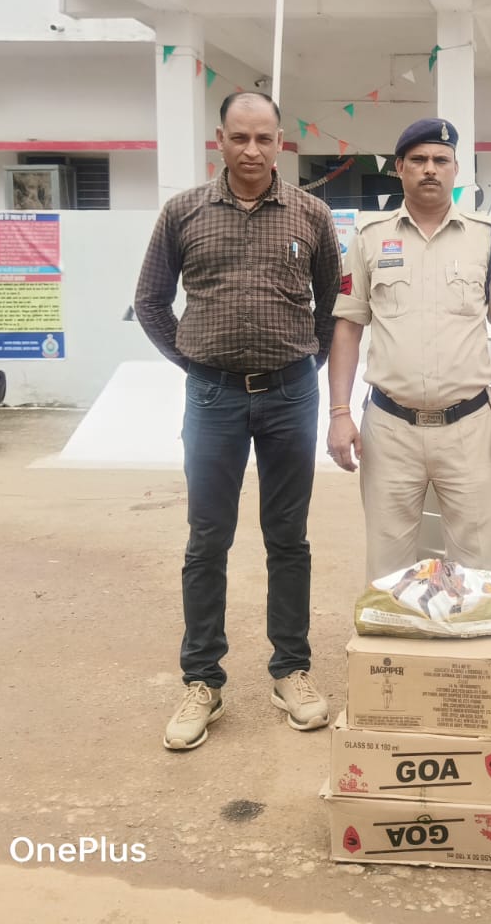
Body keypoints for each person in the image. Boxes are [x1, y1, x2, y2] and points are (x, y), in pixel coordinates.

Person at [134, 90, 341, 748]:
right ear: (219, 140)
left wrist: (305, 364)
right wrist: (194, 362)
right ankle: (203, 681)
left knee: (288, 538)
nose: (252, 150)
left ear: (280, 143)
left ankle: (291, 670)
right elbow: (150, 300)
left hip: (290, 396)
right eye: (240, 137)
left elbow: (331, 308)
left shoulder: (311, 214)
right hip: (213, 398)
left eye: (264, 138)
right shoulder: (183, 212)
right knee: (207, 539)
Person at [327, 117, 491, 579]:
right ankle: (394, 633)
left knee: (473, 569)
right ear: (399, 168)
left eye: (441, 160)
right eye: (418, 160)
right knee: (388, 569)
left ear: (456, 168)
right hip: (390, 428)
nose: (430, 169)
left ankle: (464, 631)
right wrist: (339, 413)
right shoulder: (370, 237)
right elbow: (348, 329)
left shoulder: (487, 236)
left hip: (469, 429)